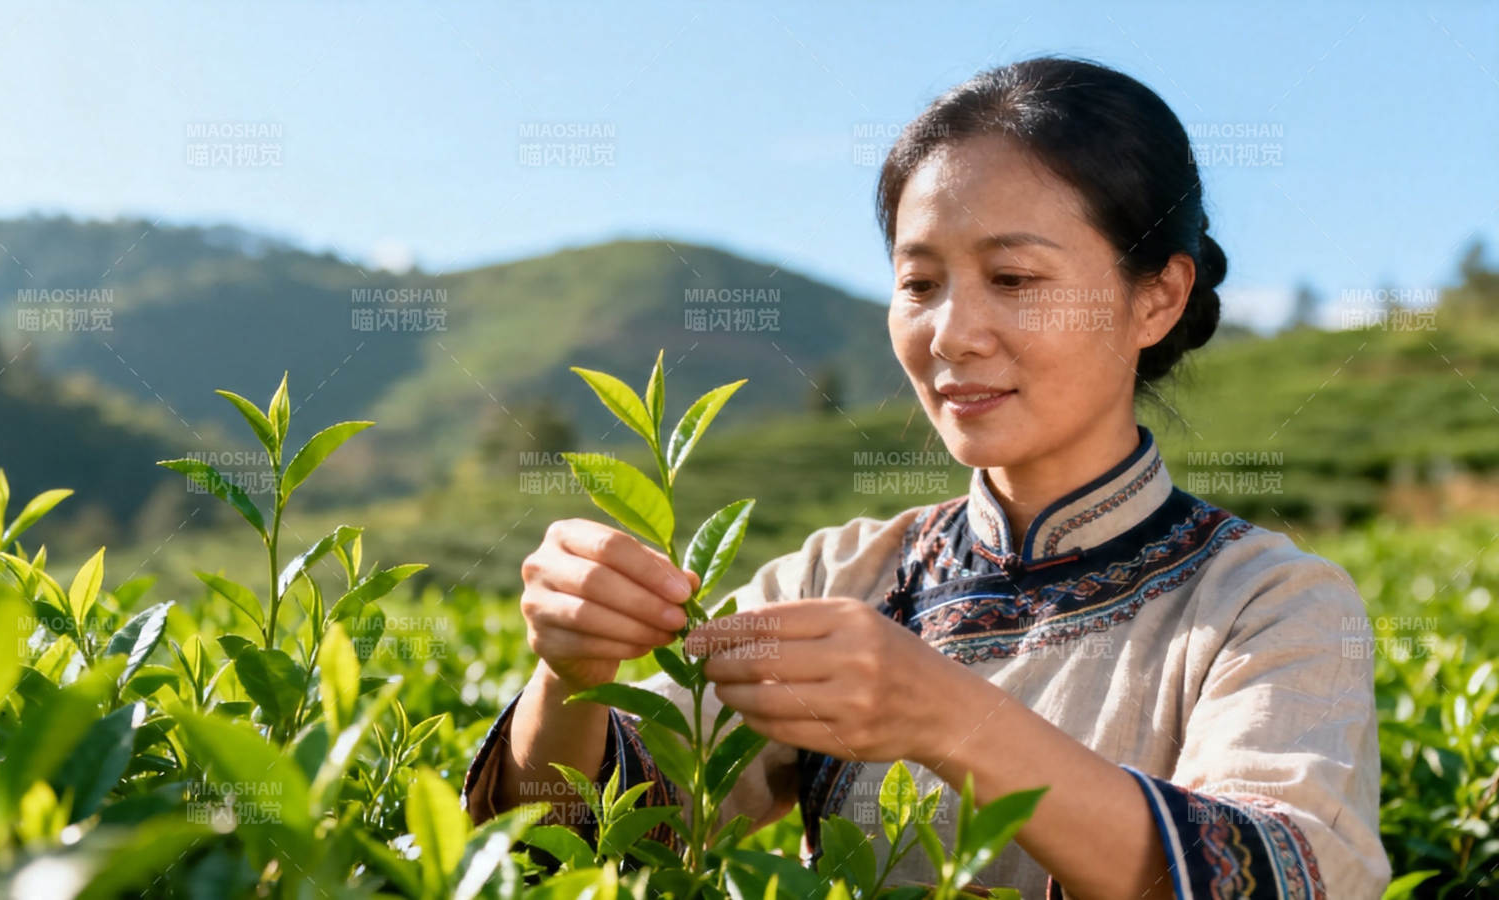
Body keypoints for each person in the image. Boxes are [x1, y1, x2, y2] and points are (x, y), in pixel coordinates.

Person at [461, 55, 1391, 899]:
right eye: (919, 283)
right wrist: (572, 675)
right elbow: (583, 856)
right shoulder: (840, 577)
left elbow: (1286, 875)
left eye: (1013, 279)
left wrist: (949, 717)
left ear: (1158, 297)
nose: (951, 334)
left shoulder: (1267, 602)